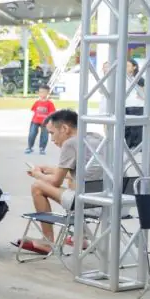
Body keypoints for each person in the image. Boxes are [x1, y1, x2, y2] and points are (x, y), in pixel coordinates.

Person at [24, 108, 104, 253]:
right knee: (75, 182)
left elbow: (55, 182)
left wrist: (37, 174)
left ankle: (47, 242)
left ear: (65, 128)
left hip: (90, 204)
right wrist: (50, 169)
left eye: (52, 133)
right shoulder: (97, 138)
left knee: (38, 187)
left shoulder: (71, 143)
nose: (52, 140)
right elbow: (87, 173)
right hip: (113, 203)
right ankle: (80, 238)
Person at [25, 85, 56, 155]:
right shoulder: (37, 102)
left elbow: (52, 113)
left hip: (45, 122)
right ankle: (30, 147)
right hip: (35, 121)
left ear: (48, 93)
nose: (42, 94)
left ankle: (42, 148)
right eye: (40, 92)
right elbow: (33, 110)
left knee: (44, 135)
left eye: (44, 92)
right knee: (32, 134)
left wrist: (50, 122)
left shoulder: (50, 103)